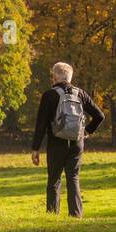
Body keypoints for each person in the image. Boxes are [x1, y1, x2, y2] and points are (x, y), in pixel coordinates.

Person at [31, 62, 104, 218]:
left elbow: (41, 124)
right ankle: (76, 215)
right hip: (76, 143)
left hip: (56, 143)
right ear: (70, 77)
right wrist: (87, 131)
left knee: (54, 179)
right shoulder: (81, 94)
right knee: (73, 178)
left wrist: (35, 148)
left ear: (55, 76)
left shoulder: (49, 95)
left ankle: (52, 215)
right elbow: (100, 116)